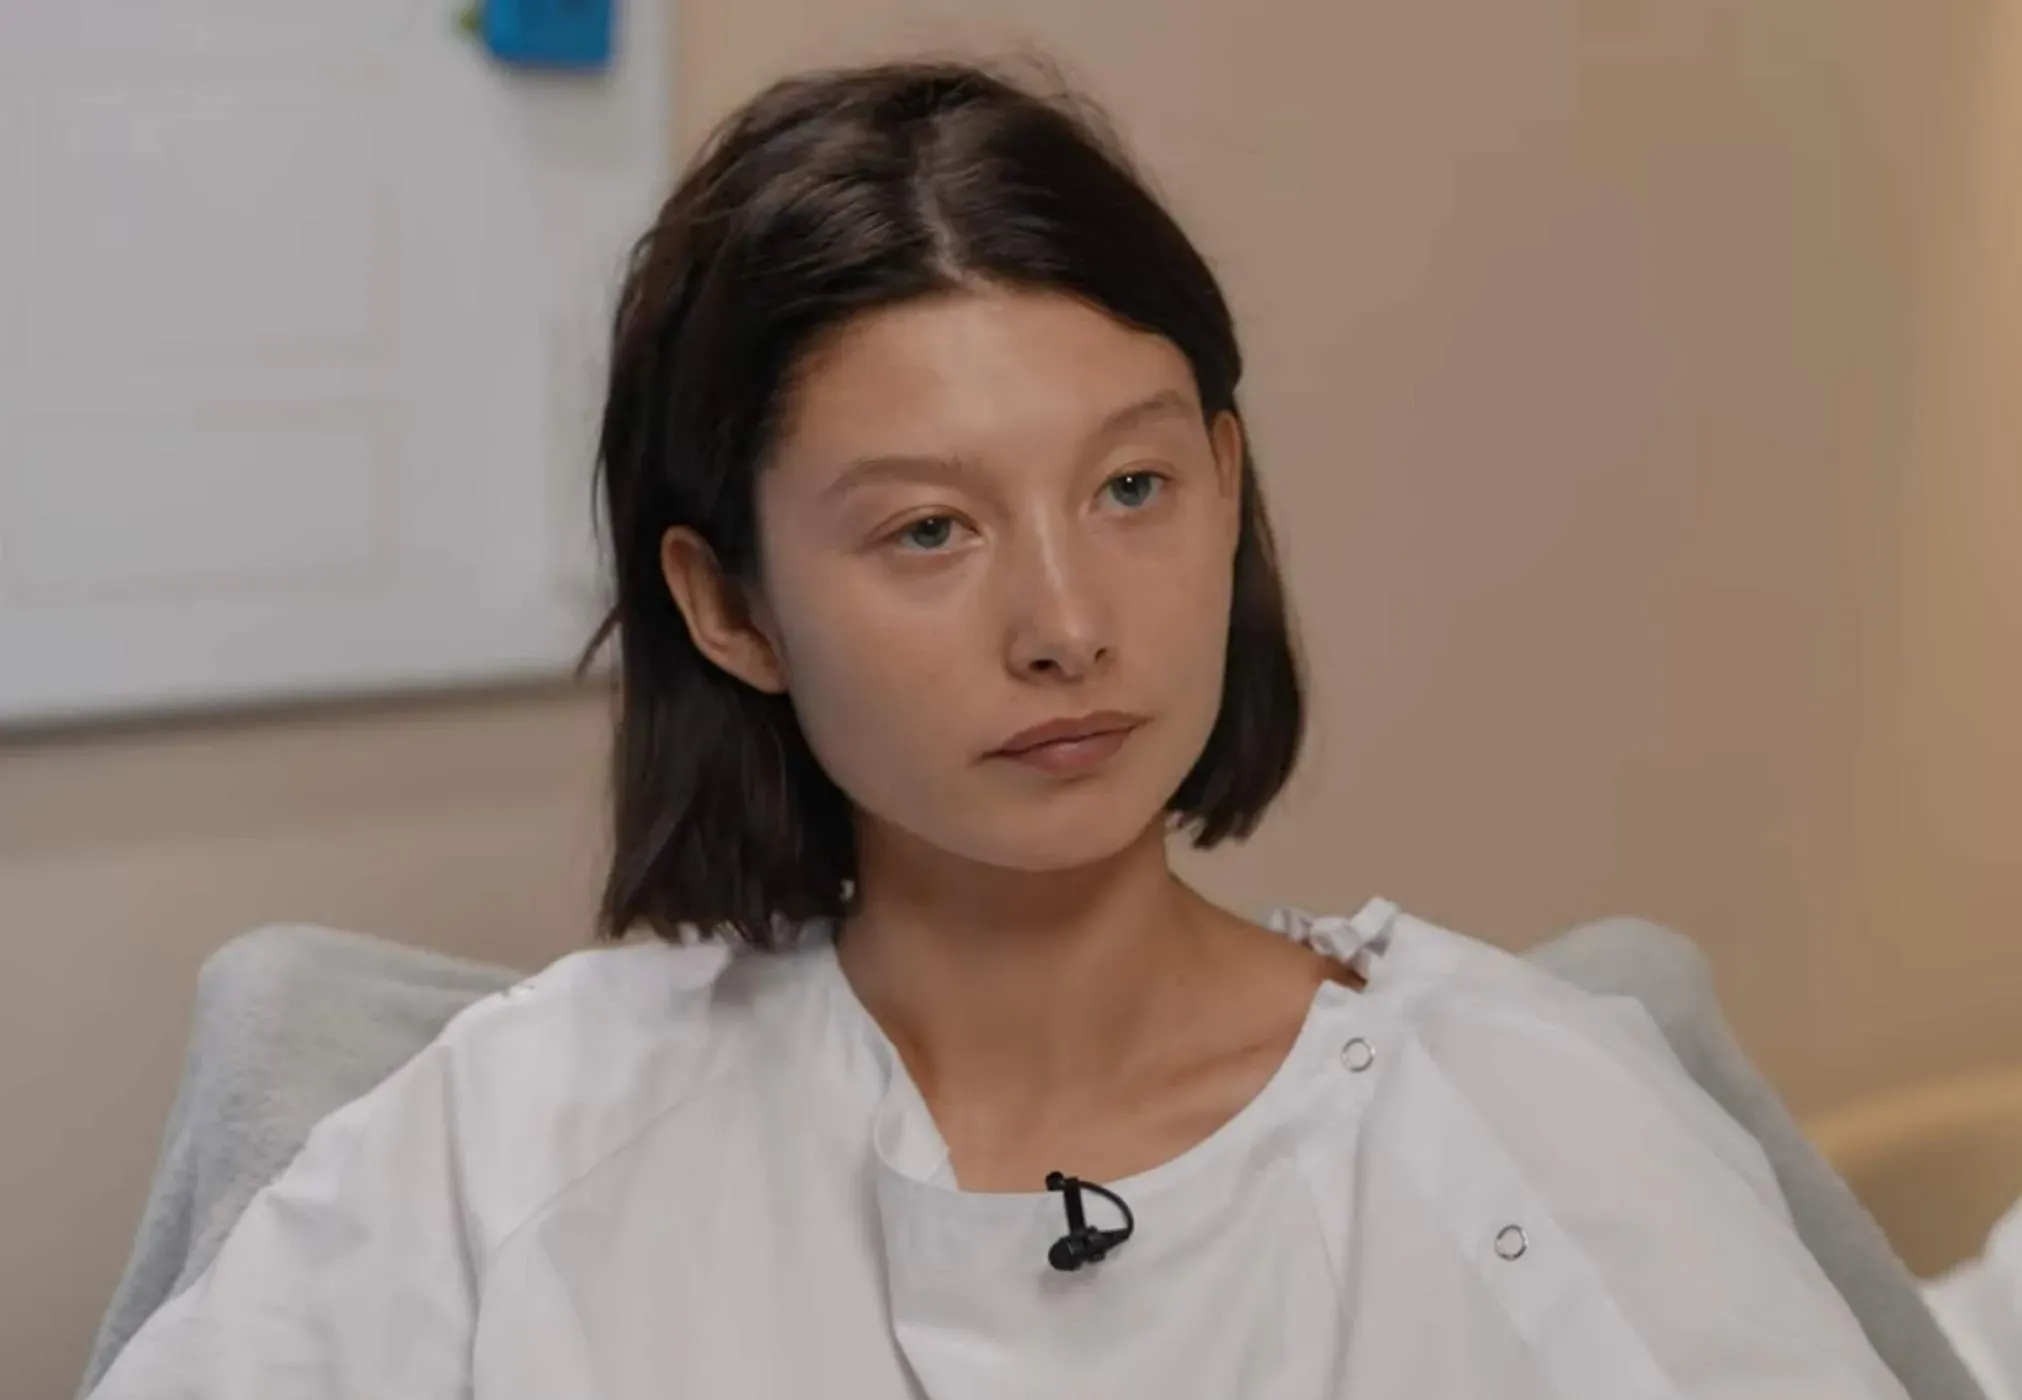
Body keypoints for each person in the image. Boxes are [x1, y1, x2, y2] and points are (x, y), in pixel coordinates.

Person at [89, 58, 1911, 1399]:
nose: (1065, 625)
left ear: (1225, 485)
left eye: (1129, 488)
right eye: (927, 531)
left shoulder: (1531, 1120)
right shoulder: (505, 1147)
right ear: (728, 607)